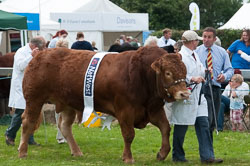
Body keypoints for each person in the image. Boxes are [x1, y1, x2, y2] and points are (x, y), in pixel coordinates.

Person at [167, 30, 223, 164]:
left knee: (204, 124)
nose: (199, 42)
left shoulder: (194, 55)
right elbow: (176, 76)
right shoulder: (180, 57)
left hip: (199, 95)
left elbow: (198, 68)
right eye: (197, 40)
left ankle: (207, 156)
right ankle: (178, 155)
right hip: (186, 96)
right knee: (181, 126)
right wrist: (192, 78)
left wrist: (204, 71)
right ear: (192, 42)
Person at [5, 36, 46, 146]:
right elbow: (20, 66)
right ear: (35, 46)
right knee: (20, 112)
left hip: (32, 86)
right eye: (42, 48)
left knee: (31, 113)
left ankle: (29, 138)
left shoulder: (37, 52)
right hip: (20, 86)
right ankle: (10, 135)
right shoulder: (21, 52)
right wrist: (31, 56)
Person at [196, 27, 234, 140]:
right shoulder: (196, 51)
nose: (206, 39)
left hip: (215, 88)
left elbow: (230, 70)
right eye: (204, 37)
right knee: (205, 118)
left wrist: (224, 76)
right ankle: (206, 149)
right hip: (201, 88)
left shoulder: (222, 52)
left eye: (209, 37)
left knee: (212, 119)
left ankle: (209, 148)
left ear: (214, 38)